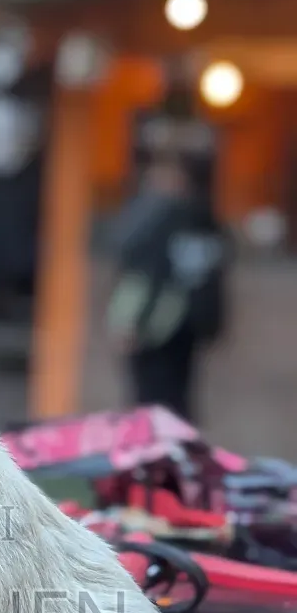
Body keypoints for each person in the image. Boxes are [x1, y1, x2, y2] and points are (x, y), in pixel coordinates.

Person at [107, 157, 228, 421]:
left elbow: (144, 274)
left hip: (161, 322)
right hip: (185, 322)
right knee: (172, 399)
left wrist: (130, 321)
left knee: (153, 399)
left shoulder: (164, 219)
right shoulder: (202, 220)